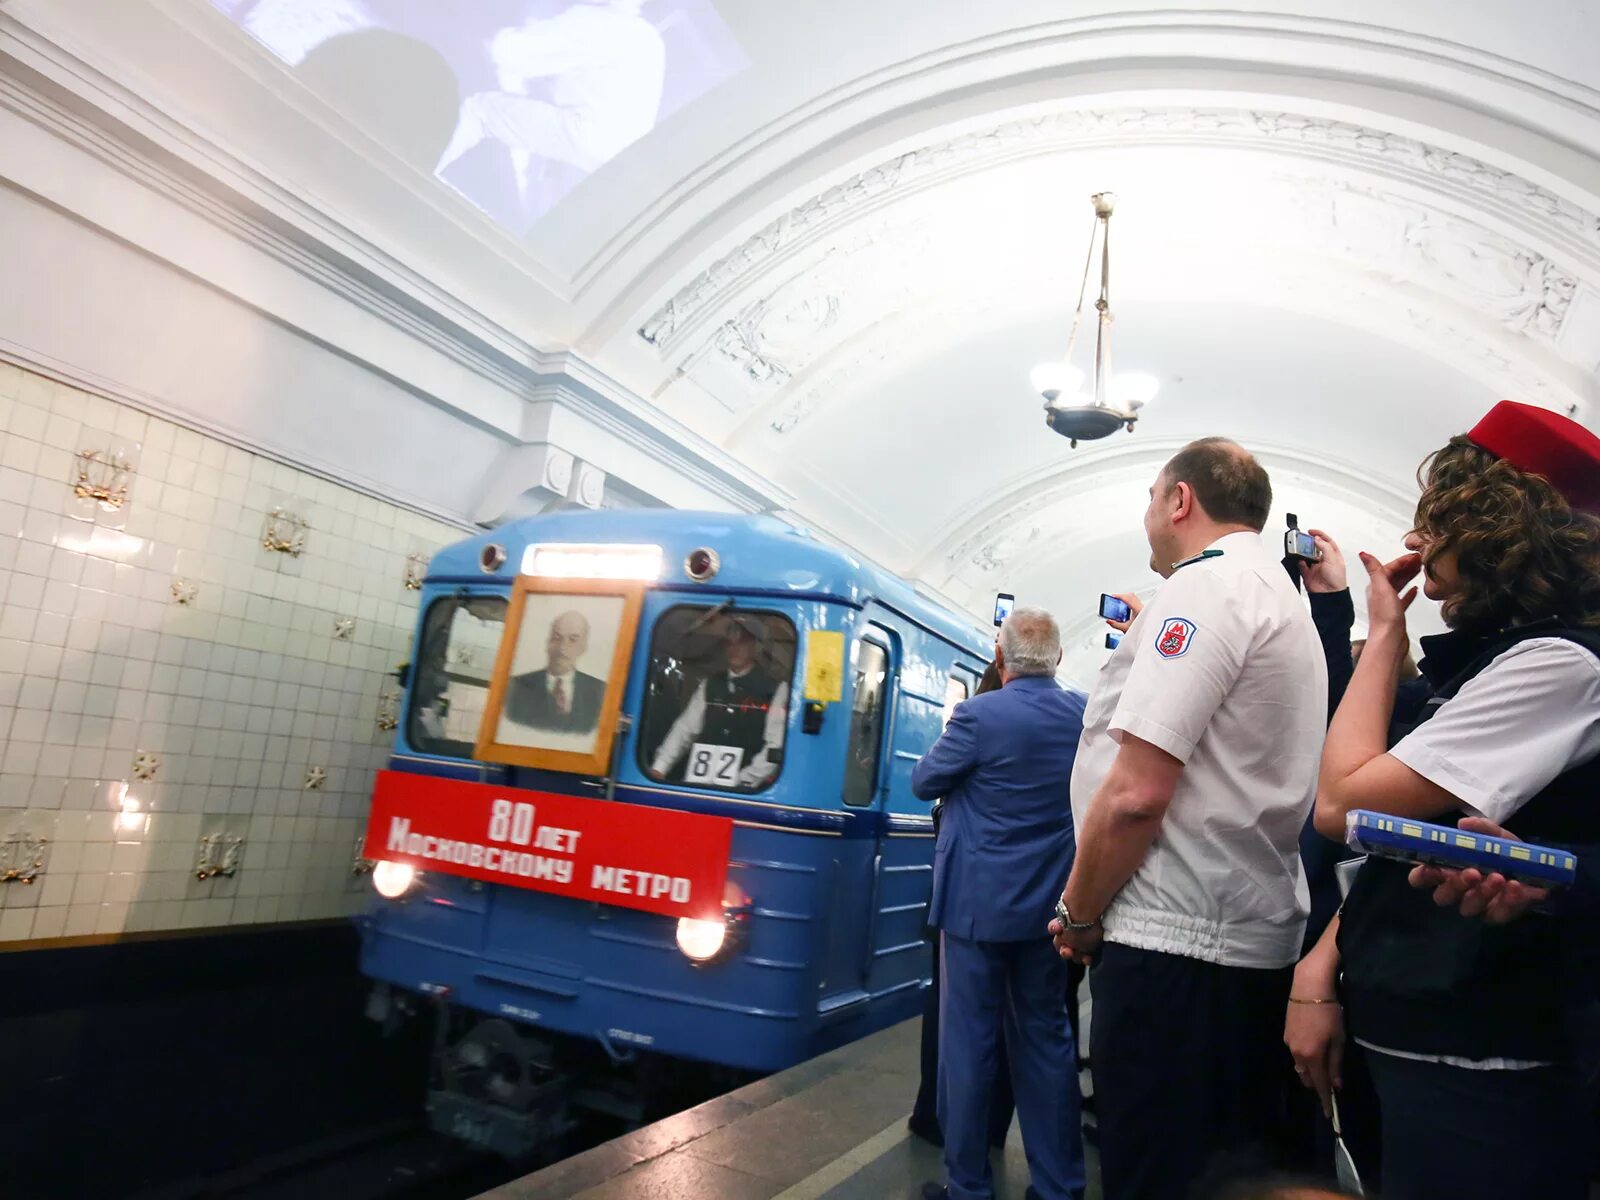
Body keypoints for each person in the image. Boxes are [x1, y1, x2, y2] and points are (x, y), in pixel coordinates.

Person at [1286, 400, 1600, 1200]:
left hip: (1476, 1045)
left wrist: (1383, 631)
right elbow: (1392, 852)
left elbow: (1343, 805)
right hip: (1429, 1023)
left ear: (1499, 530)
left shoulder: (1558, 665)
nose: (1417, 544)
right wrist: (1325, 968)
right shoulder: (1505, 659)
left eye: (1439, 522)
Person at [1051, 437, 1327, 1200]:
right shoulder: (1277, 595)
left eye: (1150, 497)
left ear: (1181, 501)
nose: (1147, 516)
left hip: (1176, 953)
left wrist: (1079, 912)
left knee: (1153, 1169)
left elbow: (1137, 792)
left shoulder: (1206, 590)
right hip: (1235, 940)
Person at [912, 608, 1087, 1200]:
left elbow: (924, 781)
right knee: (1047, 1041)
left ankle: (967, 1185)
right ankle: (1059, 1185)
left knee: (967, 1047)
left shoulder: (977, 714)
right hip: (1047, 913)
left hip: (973, 911)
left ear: (999, 657)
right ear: (1058, 659)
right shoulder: (1084, 714)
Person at [436, 0, 666, 230]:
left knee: (480, 111)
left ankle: (422, 173)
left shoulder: (597, 21)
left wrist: (490, 40)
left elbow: (514, 55)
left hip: (585, 137)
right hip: (622, 164)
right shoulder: (650, 39)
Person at [910, 661, 1016, 1151]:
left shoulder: (973, 721)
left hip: (966, 901)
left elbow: (925, 780)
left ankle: (945, 1125)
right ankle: (992, 1127)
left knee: (956, 1022)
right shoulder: (1068, 716)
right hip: (1030, 906)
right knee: (1018, 1024)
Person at [650, 616, 788, 789]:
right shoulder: (710, 685)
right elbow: (684, 730)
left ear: (755, 647)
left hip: (745, 795)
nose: (734, 648)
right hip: (698, 787)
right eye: (729, 643)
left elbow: (775, 747)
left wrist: (743, 781)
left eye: (742, 642)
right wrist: (660, 767)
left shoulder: (775, 689)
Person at [504, 610, 605, 733]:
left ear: (584, 647)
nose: (562, 647)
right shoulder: (516, 687)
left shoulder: (601, 691)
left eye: (573, 640)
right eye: (557, 638)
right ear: (548, 643)